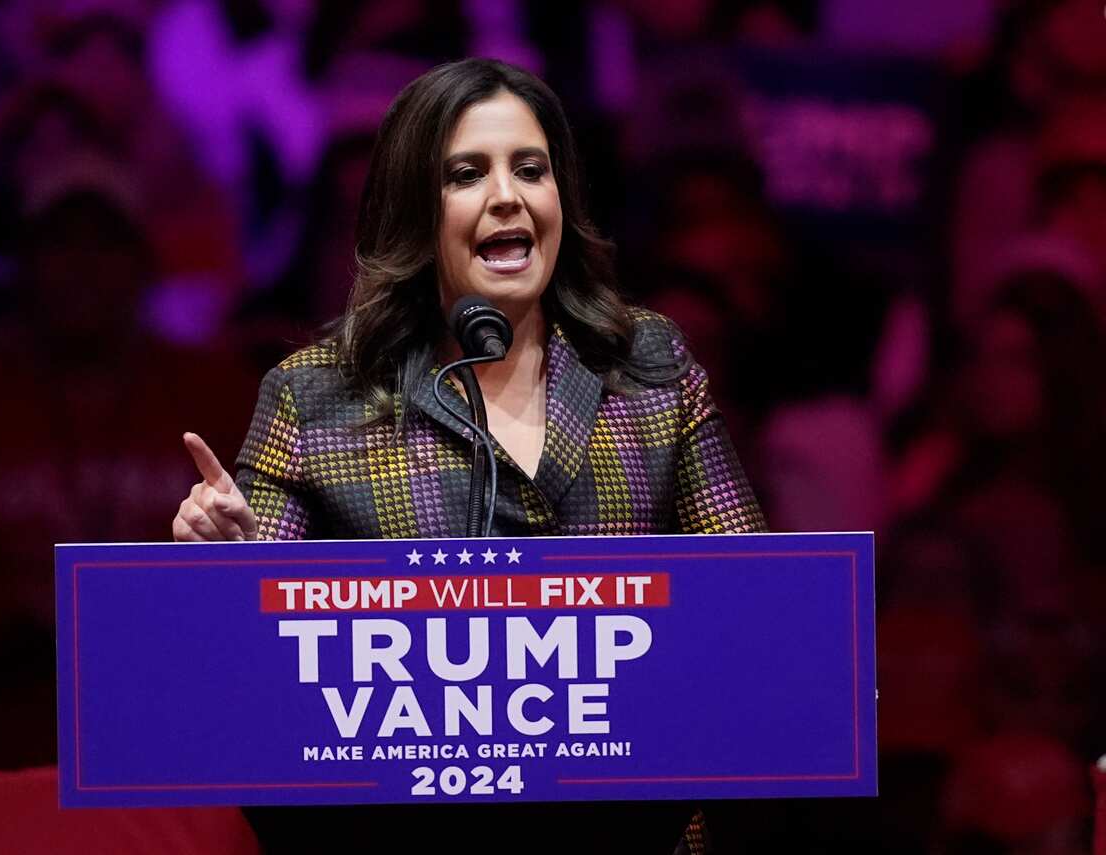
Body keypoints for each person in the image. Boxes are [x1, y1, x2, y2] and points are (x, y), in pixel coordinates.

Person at [174, 57, 765, 854]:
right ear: (415, 211)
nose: (507, 197)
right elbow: (258, 679)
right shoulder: (317, 397)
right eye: (466, 174)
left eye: (531, 169)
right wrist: (227, 563)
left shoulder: (648, 367)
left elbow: (760, 604)